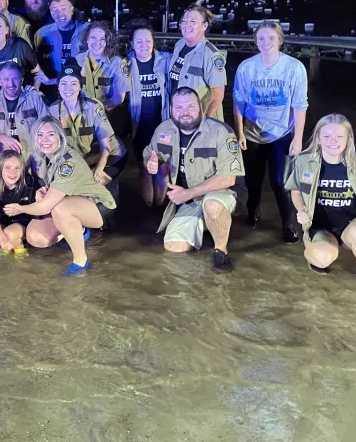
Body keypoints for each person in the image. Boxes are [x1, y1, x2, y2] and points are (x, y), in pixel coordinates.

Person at [142, 87, 244, 272]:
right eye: (179, 107)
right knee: (173, 248)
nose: (185, 112)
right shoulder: (163, 129)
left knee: (211, 205)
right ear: (171, 109)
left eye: (190, 106)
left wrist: (188, 193)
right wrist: (151, 164)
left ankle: (221, 251)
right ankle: (205, 227)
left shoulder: (221, 132)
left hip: (222, 192)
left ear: (200, 107)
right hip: (189, 199)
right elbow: (149, 155)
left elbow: (229, 177)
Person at [3, 117, 117, 276]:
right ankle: (79, 231)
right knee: (35, 237)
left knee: (61, 209)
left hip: (100, 206)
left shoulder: (68, 163)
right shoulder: (45, 158)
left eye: (50, 135)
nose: (45, 140)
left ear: (60, 137)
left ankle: (81, 261)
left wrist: (20, 208)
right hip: (76, 201)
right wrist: (43, 191)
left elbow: (45, 206)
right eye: (40, 135)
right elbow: (53, 190)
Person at [284, 114, 356, 293]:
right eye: (327, 136)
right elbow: (295, 189)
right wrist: (300, 209)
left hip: (351, 223)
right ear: (318, 139)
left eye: (339, 136)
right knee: (321, 258)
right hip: (319, 226)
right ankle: (316, 254)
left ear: (348, 139)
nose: (333, 141)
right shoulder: (303, 161)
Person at [232, 20, 309, 243]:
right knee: (253, 181)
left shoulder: (294, 68)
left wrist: (298, 138)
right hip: (253, 133)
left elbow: (300, 105)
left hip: (281, 133)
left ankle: (288, 223)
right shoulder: (247, 67)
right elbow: (238, 102)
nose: (266, 43)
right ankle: (253, 213)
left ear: (280, 40)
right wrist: (239, 133)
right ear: (255, 41)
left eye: (271, 38)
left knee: (279, 181)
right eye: (262, 38)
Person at [48, 64, 127, 183]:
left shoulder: (93, 107)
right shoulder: (53, 111)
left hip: (109, 158)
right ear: (58, 87)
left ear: (80, 87)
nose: (68, 88)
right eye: (63, 83)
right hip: (81, 162)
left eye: (73, 83)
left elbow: (106, 147)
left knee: (93, 187)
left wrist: (98, 170)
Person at [127, 24, 171, 207]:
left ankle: (160, 207)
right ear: (132, 44)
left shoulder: (166, 60)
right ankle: (147, 208)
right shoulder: (126, 64)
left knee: (162, 167)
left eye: (148, 40)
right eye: (139, 41)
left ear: (153, 42)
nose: (144, 45)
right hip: (139, 125)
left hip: (162, 122)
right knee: (144, 167)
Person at [167, 3, 227, 121]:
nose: (186, 25)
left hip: (199, 120)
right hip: (179, 117)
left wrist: (205, 121)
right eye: (184, 21)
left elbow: (218, 95)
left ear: (204, 26)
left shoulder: (212, 55)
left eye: (193, 22)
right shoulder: (179, 45)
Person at [0, 62, 48, 162]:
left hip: (33, 156)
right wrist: (3, 138)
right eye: (6, 79)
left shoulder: (34, 97)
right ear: (0, 81)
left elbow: (48, 126)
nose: (11, 84)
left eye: (15, 78)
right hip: (5, 159)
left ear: (21, 80)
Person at [0, 150, 43, 254]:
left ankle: (20, 258)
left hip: (25, 220)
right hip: (5, 219)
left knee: (10, 233)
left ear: (22, 170)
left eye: (17, 168)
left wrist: (21, 209)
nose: (13, 172)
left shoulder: (30, 182)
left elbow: (38, 211)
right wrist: (2, 239)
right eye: (7, 167)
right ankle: (10, 253)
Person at [74, 20, 131, 113]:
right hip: (81, 115)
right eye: (93, 38)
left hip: (107, 116)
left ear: (107, 41)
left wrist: (97, 108)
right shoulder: (77, 60)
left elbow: (119, 96)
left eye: (102, 39)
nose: (97, 43)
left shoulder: (118, 63)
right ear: (87, 39)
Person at [33, 0, 87, 87]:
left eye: (63, 8)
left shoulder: (86, 32)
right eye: (55, 9)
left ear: (72, 10)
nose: (59, 13)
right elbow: (36, 60)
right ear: (50, 13)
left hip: (83, 86)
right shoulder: (43, 33)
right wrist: (35, 89)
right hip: (56, 86)